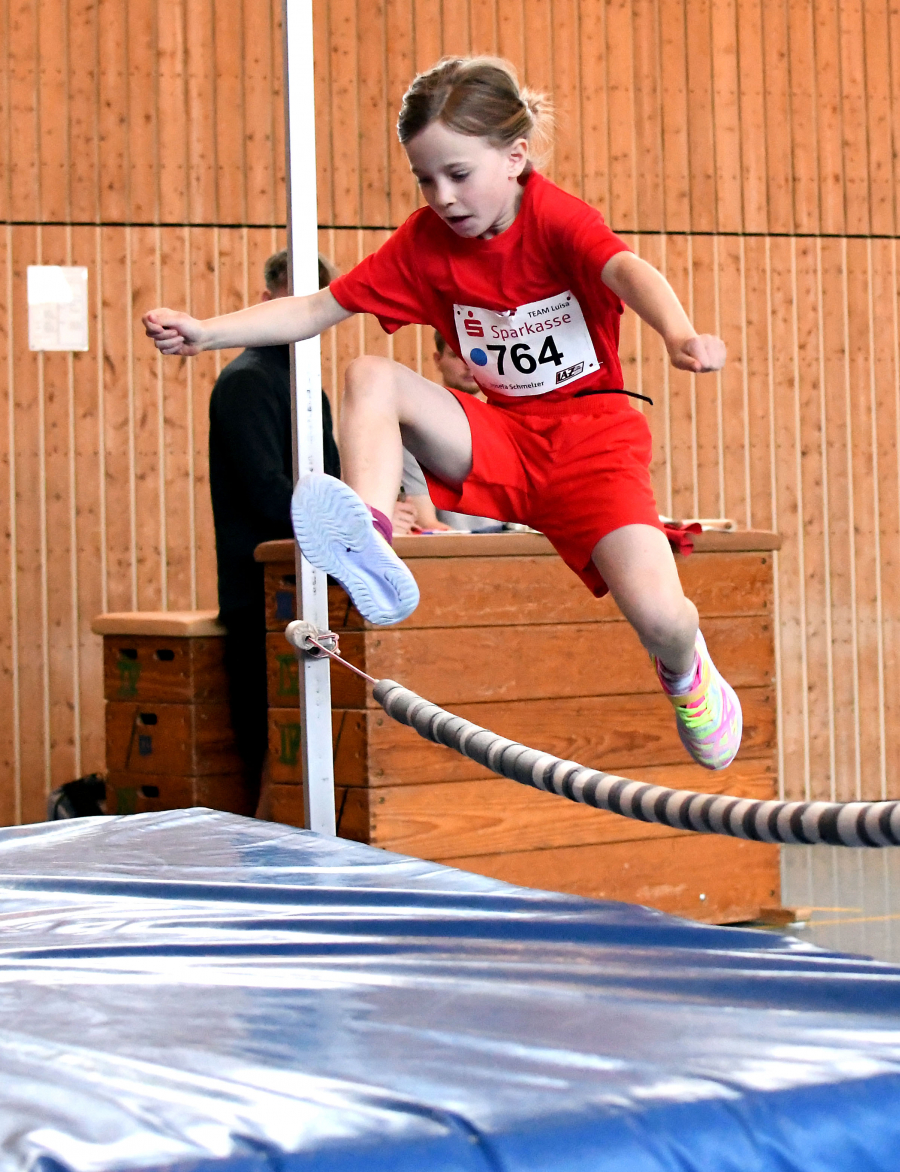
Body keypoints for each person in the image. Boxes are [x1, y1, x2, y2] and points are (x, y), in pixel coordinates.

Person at [145, 57, 740, 771]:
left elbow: (626, 270)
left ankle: (687, 673)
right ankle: (365, 534)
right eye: (425, 179)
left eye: (458, 174)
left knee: (662, 619)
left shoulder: (555, 219)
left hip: (591, 441)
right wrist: (209, 332)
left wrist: (679, 333)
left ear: (515, 158)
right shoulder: (425, 242)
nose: (443, 196)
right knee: (369, 372)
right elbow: (315, 308)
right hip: (500, 435)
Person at [208, 251, 340, 808]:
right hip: (260, 599)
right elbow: (267, 494)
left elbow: (333, 477)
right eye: (292, 303)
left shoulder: (308, 388)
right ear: (265, 304)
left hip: (307, 586)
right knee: (275, 752)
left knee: (311, 752)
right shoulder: (247, 383)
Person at [398, 330, 501, 533]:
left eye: (476, 356)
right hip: (457, 545)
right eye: (456, 356)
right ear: (438, 360)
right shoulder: (418, 427)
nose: (468, 365)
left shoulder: (503, 421)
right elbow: (426, 522)